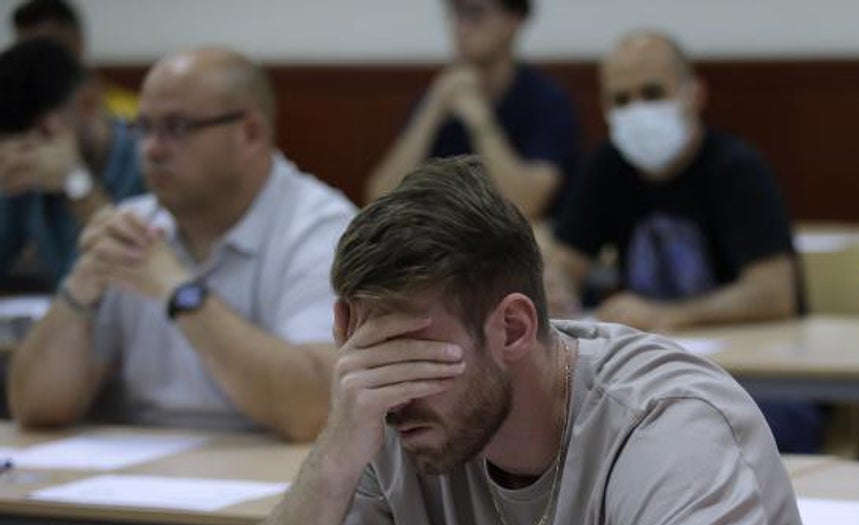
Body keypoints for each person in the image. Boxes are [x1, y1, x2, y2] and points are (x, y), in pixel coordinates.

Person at [211, 156, 848, 525]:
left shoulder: (669, 422)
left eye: (413, 350)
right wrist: (333, 453)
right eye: (366, 350)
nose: (389, 385)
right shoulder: (396, 418)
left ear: (512, 328)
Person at [7, 47, 354, 440]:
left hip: (273, 481)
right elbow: (36, 406)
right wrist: (77, 293)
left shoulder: (322, 230)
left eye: (176, 128)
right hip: (145, 478)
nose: (151, 149)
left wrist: (177, 290)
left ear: (251, 134)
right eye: (143, 128)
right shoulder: (135, 224)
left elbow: (314, 410)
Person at [547, 31, 798, 333]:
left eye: (652, 94)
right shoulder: (606, 166)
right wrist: (556, 290)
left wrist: (670, 315)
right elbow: (564, 264)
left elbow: (773, 294)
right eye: (621, 100)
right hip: (645, 358)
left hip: (747, 352)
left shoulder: (736, 168)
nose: (637, 111)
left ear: (695, 95)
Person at [364, 0, 577, 219]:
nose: (461, 26)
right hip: (447, 237)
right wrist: (432, 110)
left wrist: (480, 119)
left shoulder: (547, 102)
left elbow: (525, 204)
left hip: (519, 242)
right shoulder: (439, 96)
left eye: (475, 13)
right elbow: (380, 201)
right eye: (455, 13)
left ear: (515, 19)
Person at [0, 37, 142, 286]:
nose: (31, 150)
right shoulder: (26, 163)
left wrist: (75, 182)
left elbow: (142, 268)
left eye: (45, 133)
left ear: (87, 103)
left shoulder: (149, 159)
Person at [11, 0, 139, 121]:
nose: (34, 62)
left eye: (48, 49)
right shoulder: (14, 119)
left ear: (78, 42)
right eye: (23, 52)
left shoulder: (130, 116)